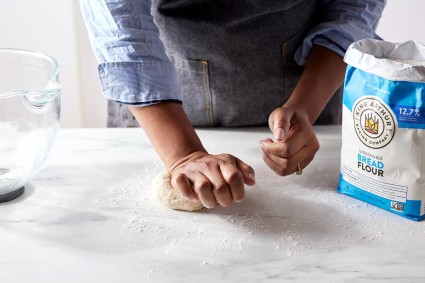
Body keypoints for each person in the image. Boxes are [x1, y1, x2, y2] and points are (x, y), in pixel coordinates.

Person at [80, 0, 386, 209]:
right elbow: (120, 24)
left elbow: (352, 8)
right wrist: (182, 155)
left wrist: (305, 107)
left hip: (307, 81)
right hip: (155, 105)